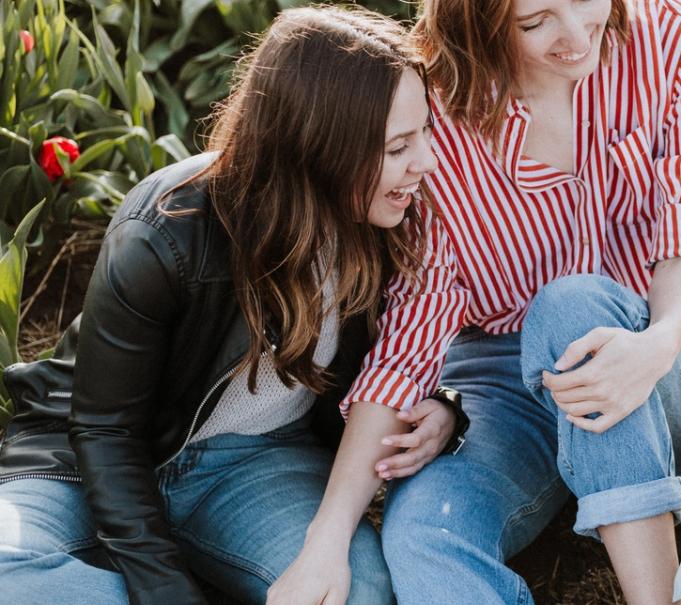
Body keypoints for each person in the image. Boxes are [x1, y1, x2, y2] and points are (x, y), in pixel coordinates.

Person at [273, 0, 681, 602]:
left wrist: (657, 343)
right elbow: (411, 336)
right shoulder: (432, 107)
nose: (574, 37)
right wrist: (327, 538)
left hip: (658, 356)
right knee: (424, 536)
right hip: (504, 381)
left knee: (571, 307)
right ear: (477, 22)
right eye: (533, 21)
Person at [0, 7, 450, 604]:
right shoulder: (165, 232)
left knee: (357, 592)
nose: (427, 162)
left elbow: (411, 349)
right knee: (10, 572)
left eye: (424, 133)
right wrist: (166, 591)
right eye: (398, 146)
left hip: (254, 465)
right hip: (84, 461)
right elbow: (105, 430)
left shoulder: (394, 222)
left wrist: (443, 406)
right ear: (318, 147)